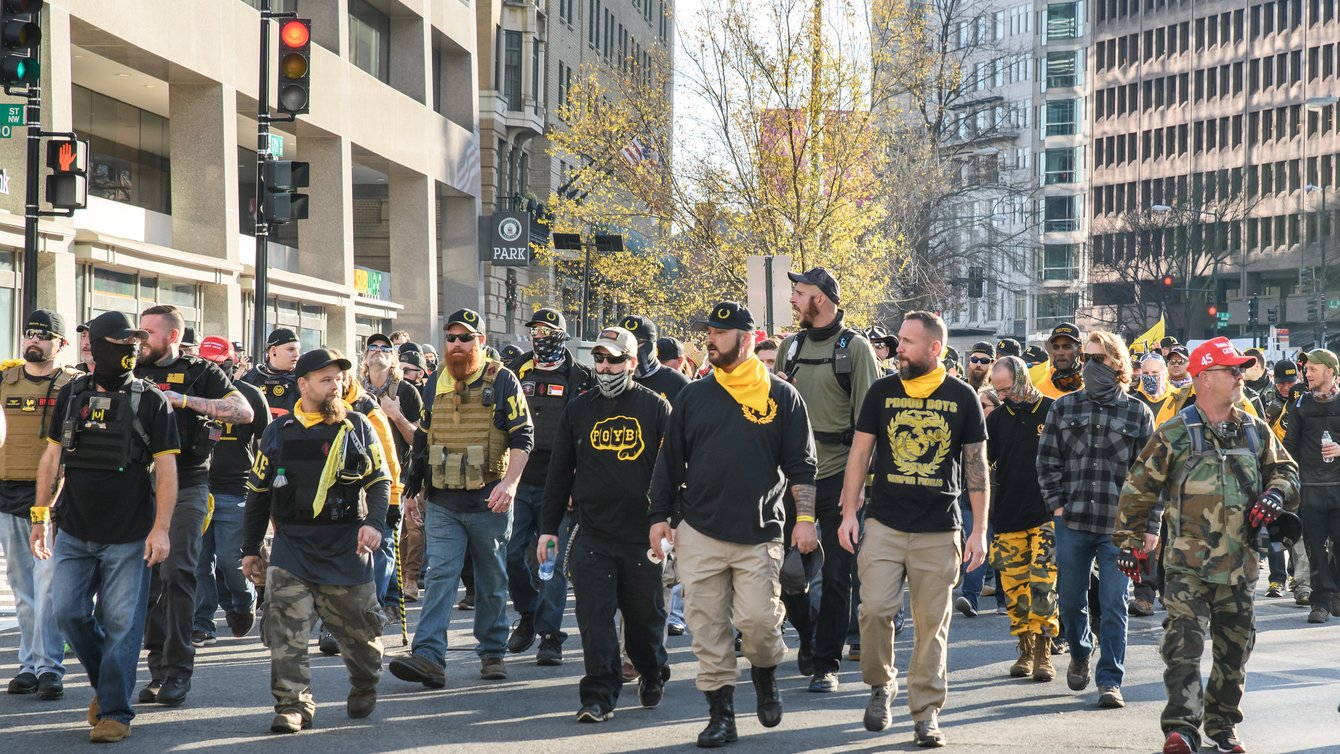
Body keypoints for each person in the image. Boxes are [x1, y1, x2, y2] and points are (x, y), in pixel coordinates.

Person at [1114, 337, 1300, 754]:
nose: (1239, 376)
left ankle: (1222, 727)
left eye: (1240, 370)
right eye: (1230, 370)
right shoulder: (1175, 432)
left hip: (1241, 565)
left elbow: (1287, 470)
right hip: (1186, 566)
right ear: (1203, 379)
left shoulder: (1254, 429)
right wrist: (1128, 543)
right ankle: (1180, 729)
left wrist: (1276, 493)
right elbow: (1138, 489)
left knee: (1234, 652)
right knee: (1184, 647)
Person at [649, 301, 816, 748]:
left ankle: (765, 676)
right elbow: (669, 463)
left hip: (760, 531)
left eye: (719, 333)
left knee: (760, 624)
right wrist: (659, 518)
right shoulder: (692, 395)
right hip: (698, 530)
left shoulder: (782, 396)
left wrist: (805, 521)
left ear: (746, 339)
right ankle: (721, 716)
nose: (710, 339)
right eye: (708, 331)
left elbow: (801, 467)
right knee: (708, 631)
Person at [837, 310, 989, 748]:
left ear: (934, 349)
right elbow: (860, 455)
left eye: (906, 342)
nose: (897, 348)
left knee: (931, 626)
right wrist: (850, 512)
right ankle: (881, 684)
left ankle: (925, 712)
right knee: (875, 611)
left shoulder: (961, 397)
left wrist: (978, 530)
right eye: (898, 340)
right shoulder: (882, 391)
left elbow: (976, 469)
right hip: (884, 523)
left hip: (939, 530)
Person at [32, 311, 180, 743]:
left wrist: (162, 528)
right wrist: (40, 515)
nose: (131, 350)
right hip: (74, 529)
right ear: (97, 347)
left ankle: (115, 711)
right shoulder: (72, 393)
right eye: (120, 343)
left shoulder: (150, 400)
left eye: (135, 342)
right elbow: (52, 459)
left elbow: (167, 470)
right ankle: (108, 685)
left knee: (122, 625)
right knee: (69, 614)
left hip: (130, 536)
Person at [241, 349, 391, 733]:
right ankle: (293, 705)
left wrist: (374, 524)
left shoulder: (356, 426)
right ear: (303, 384)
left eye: (339, 378)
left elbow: (379, 481)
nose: (336, 385)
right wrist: (250, 549)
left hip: (346, 546)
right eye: (326, 379)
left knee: (362, 641)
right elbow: (258, 494)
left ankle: (364, 682)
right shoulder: (278, 432)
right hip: (293, 547)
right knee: (285, 633)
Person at [389, 308, 534, 688]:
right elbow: (423, 439)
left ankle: (492, 652)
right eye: (451, 338)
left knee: (491, 579)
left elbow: (523, 437)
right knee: (439, 578)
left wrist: (511, 484)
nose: (456, 344)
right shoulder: (436, 380)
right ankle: (429, 655)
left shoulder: (503, 381)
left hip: (490, 500)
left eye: (465, 338)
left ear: (481, 342)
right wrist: (411, 492)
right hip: (443, 502)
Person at [540, 326, 672, 721]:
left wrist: (669, 521)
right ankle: (598, 696)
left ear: (632, 363)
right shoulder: (578, 409)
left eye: (614, 359)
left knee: (644, 621)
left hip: (642, 536)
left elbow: (671, 471)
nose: (605, 366)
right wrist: (548, 530)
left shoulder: (656, 407)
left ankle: (651, 671)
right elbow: (558, 473)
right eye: (599, 358)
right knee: (595, 619)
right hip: (591, 533)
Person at [136, 304, 255, 708]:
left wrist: (183, 400)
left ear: (171, 336)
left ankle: (177, 672)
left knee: (177, 571)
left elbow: (243, 411)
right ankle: (157, 669)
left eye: (148, 332)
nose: (140, 339)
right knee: (146, 581)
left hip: (188, 483)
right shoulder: (130, 370)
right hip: (136, 488)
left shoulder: (202, 372)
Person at [773, 266, 880, 692]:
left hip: (839, 476)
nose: (794, 299)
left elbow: (869, 426)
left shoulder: (855, 349)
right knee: (784, 570)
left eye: (800, 292)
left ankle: (827, 663)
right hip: (790, 478)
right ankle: (807, 634)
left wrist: (860, 491)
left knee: (838, 576)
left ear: (821, 297)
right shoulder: (790, 346)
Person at [1037, 329, 1153, 710]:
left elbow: (1153, 476)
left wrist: (1150, 526)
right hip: (1071, 521)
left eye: (1098, 359)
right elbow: (1047, 461)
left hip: (1119, 528)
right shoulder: (1063, 406)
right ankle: (1080, 650)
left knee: (1115, 602)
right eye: (1086, 359)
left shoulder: (1138, 413)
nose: (1089, 366)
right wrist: (1057, 505)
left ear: (1117, 364)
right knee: (1070, 601)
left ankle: (1109, 681)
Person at [502, 308, 593, 665]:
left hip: (560, 483)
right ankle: (528, 614)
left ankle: (551, 636)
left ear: (560, 334)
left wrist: (577, 483)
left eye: (546, 330)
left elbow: (585, 437)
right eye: (534, 330)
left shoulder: (580, 377)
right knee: (510, 554)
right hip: (519, 480)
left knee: (550, 564)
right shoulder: (516, 371)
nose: (539, 336)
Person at [1, 310, 79, 700]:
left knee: (49, 587)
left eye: (44, 335)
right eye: (30, 333)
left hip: (55, 499)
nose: (34, 340)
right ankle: (29, 664)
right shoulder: (4, 380)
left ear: (60, 344)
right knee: (22, 587)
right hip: (9, 494)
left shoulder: (74, 385)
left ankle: (50, 666)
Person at [193, 336, 270, 646]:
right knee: (199, 562)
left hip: (237, 489)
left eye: (219, 363)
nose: (214, 369)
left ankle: (241, 601)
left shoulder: (251, 396)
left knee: (229, 561)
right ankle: (203, 622)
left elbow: (267, 447)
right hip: (198, 487)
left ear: (232, 362)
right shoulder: (192, 394)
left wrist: (267, 494)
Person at [985, 356, 1058, 682]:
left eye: (1007, 388)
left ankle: (1044, 651)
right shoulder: (997, 419)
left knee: (1044, 587)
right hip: (1008, 516)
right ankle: (1024, 649)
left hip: (1047, 515)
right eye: (997, 390)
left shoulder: (1053, 411)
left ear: (1024, 380)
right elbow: (981, 463)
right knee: (1015, 591)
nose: (1002, 396)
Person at [1282, 347, 1340, 623]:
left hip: (1339, 488)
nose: (1307, 373)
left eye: (1312, 368)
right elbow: (1289, 448)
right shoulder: (1300, 405)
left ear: (1330, 371)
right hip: (1311, 488)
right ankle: (1320, 602)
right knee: (1314, 548)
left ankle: (1337, 594)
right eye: (1306, 369)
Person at [619, 314, 691, 402]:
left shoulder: (678, 383)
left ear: (651, 345)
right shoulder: (609, 382)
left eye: (635, 343)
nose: (629, 349)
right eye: (622, 344)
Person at [241, 328, 301, 419]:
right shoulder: (251, 378)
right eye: (291, 349)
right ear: (273, 351)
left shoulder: (304, 380)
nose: (297, 354)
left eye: (298, 350)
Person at [1028, 323, 1085, 399]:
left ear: (1079, 349)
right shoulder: (1039, 390)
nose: (1060, 353)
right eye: (1056, 347)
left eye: (1067, 347)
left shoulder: (1092, 385)